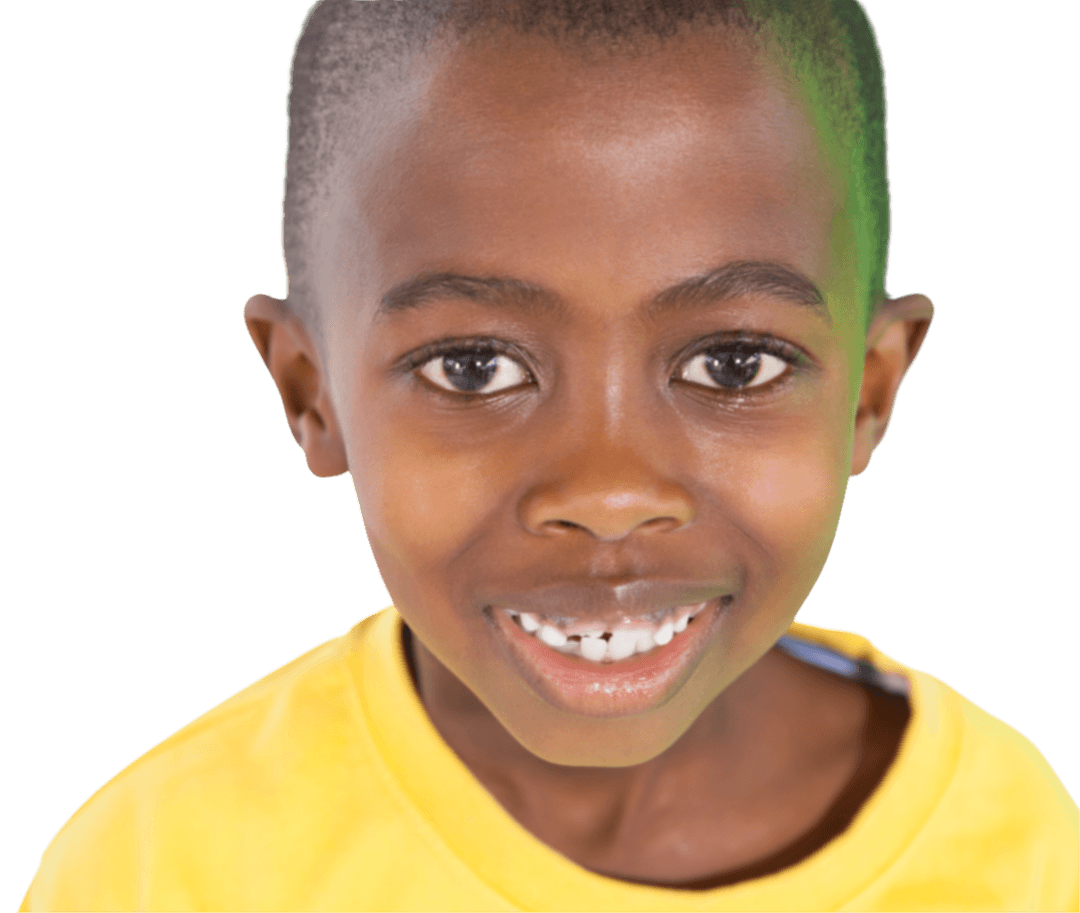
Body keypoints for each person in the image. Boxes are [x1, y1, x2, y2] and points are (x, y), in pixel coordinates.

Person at [21, 0, 1079, 909]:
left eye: (736, 364)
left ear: (870, 388)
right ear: (311, 393)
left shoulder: (1027, 851)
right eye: (474, 367)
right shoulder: (162, 871)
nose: (609, 492)